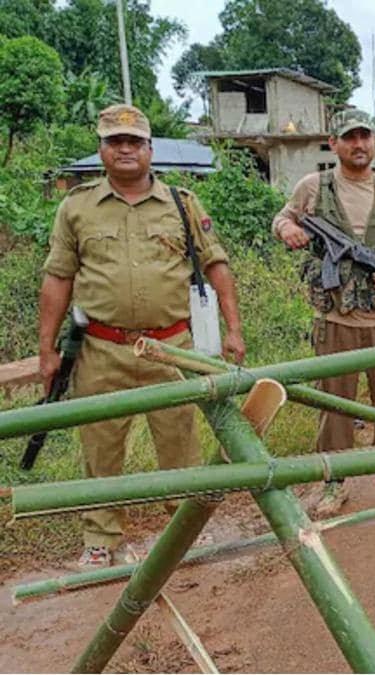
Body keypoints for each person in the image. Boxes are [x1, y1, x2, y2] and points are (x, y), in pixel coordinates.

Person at [39, 104, 245, 568]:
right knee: (101, 447)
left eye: (134, 141)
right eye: (115, 141)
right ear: (102, 149)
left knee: (179, 444)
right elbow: (58, 277)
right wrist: (46, 349)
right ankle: (101, 540)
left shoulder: (182, 203)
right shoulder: (76, 207)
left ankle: (183, 533)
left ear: (150, 148)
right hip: (101, 349)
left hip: (171, 348)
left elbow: (216, 265)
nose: (125, 149)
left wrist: (233, 330)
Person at [274, 109, 375, 518]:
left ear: (374, 142)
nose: (359, 144)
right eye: (349, 137)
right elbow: (283, 217)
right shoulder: (313, 187)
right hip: (335, 319)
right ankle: (334, 482)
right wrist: (288, 230)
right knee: (335, 404)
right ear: (334, 144)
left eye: (365, 136)